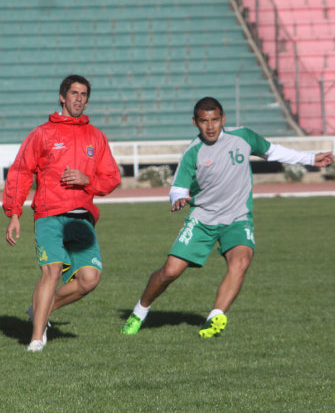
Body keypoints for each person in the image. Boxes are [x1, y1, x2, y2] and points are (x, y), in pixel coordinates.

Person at [121, 96, 334, 338]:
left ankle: (215, 318)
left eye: (214, 119)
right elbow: (178, 187)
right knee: (170, 272)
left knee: (241, 262)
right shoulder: (193, 152)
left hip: (237, 218)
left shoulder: (243, 137)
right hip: (203, 219)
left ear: (223, 119)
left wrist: (310, 158)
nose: (210, 126)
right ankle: (140, 311)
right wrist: (178, 198)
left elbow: (272, 151)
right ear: (195, 122)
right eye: (204, 121)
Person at [3, 74, 121, 352]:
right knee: (52, 271)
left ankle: (39, 310)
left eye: (83, 95)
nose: (79, 99)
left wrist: (86, 180)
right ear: (62, 97)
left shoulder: (96, 136)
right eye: (74, 93)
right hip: (50, 214)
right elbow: (20, 172)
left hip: (82, 218)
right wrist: (14, 213)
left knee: (89, 279)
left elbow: (112, 177)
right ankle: (35, 339)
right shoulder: (42, 133)